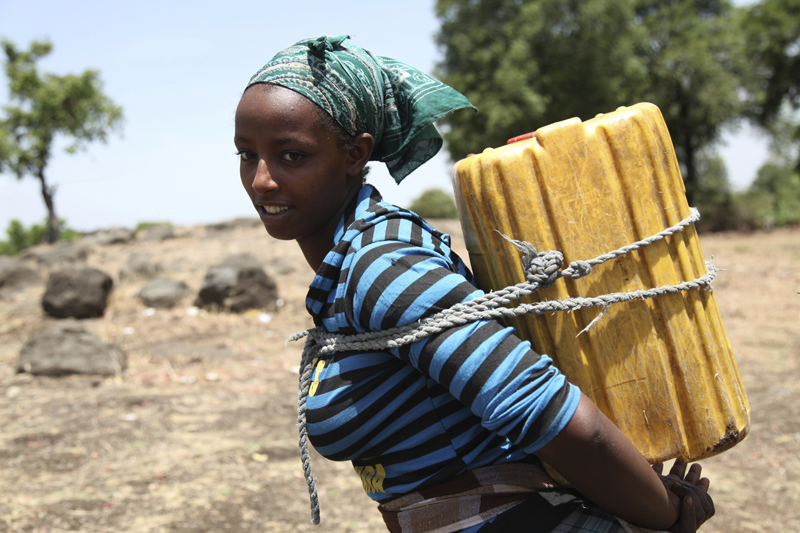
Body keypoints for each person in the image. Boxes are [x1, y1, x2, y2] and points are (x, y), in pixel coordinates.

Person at [233, 35, 715, 533]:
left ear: (356, 154)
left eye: (291, 156)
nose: (261, 180)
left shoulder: (382, 266)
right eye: (247, 155)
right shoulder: (349, 268)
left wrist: (666, 517)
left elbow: (548, 414)